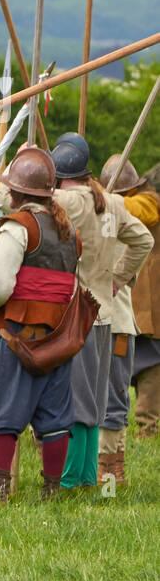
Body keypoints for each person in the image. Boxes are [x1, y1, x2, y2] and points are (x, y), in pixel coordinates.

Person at [0, 149, 80, 500]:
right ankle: (51, 493)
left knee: (2, 413)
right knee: (56, 420)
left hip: (18, 336)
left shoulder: (18, 228)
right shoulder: (69, 233)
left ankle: (0, 494)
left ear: (17, 192)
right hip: (58, 340)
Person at [47, 141, 152, 490]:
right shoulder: (118, 205)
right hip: (113, 317)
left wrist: (119, 279)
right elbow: (142, 238)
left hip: (90, 317)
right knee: (102, 403)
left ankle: (91, 480)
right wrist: (120, 279)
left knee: (97, 402)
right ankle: (101, 481)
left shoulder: (86, 203)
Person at [98, 154, 158, 485]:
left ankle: (106, 480)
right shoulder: (116, 213)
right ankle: (104, 479)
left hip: (127, 313)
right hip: (118, 317)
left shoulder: (140, 206)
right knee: (108, 397)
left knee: (112, 396)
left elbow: (140, 220)